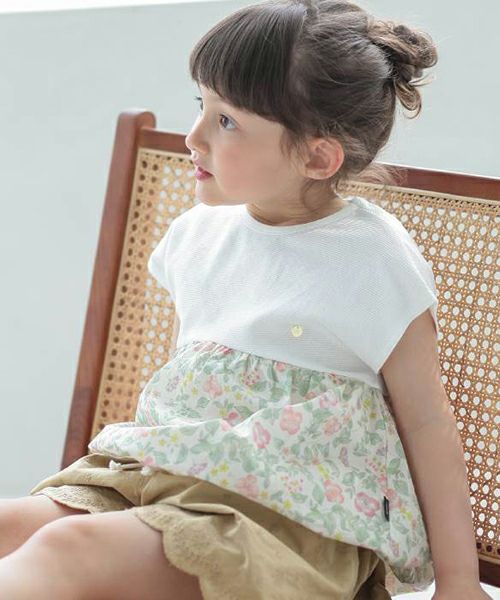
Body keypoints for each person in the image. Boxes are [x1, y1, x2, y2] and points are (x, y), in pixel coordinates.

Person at [0, 1, 489, 599]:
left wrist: (459, 583)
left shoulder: (370, 258)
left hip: (285, 518)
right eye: (200, 105)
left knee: (68, 550)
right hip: (162, 476)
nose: (194, 136)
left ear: (316, 156)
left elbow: (428, 421)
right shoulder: (197, 235)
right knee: (13, 529)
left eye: (227, 121)